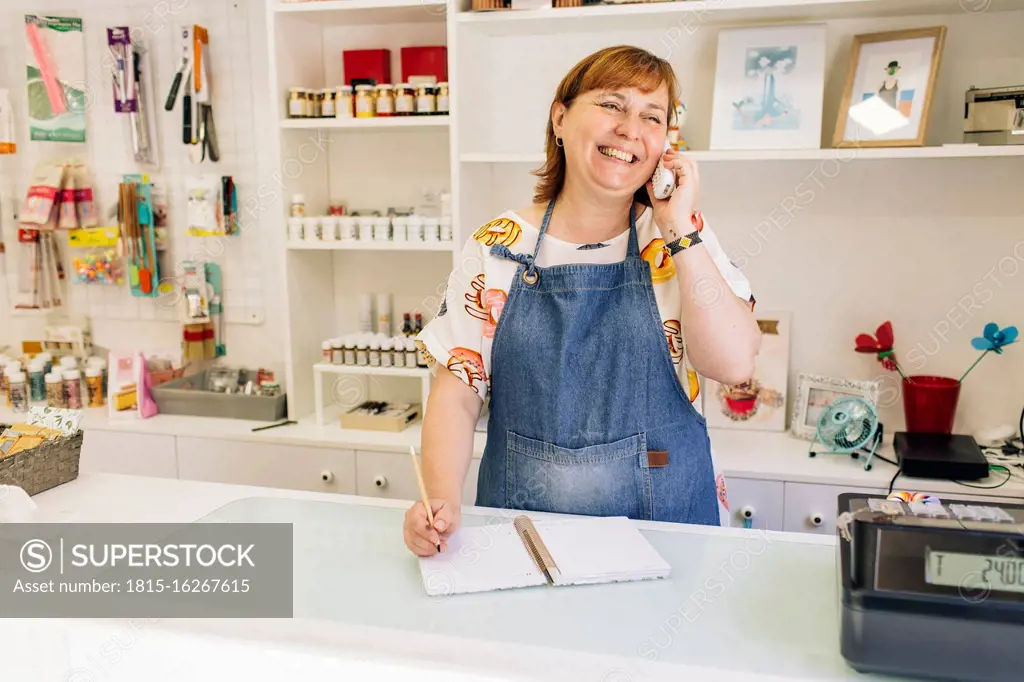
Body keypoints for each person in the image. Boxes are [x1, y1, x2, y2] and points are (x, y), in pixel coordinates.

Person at [403, 46, 762, 557]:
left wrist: (678, 227)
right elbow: (459, 388)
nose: (630, 129)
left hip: (667, 538)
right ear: (561, 117)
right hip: (526, 537)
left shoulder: (681, 240)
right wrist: (439, 500)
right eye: (612, 105)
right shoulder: (498, 244)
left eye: (651, 117)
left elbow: (733, 363)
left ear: (665, 145)